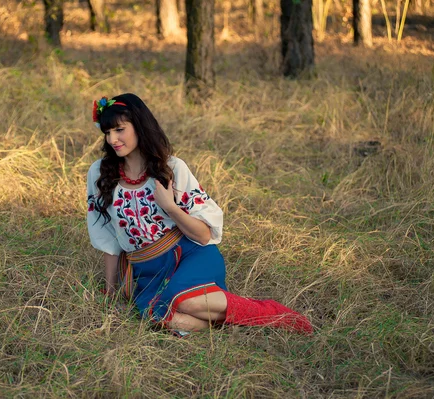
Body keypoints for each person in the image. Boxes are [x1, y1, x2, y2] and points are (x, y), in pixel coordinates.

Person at [86, 93, 313, 335]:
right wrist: (111, 293)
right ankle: (233, 318)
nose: (112, 139)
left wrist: (171, 207)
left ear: (139, 126)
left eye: (120, 130)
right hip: (146, 269)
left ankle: (272, 314)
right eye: (107, 132)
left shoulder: (171, 168)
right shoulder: (100, 174)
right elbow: (107, 238)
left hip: (187, 254)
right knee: (160, 318)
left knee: (185, 302)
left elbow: (204, 235)